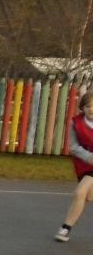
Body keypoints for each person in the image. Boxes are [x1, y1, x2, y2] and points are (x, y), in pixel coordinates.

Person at [54, 90, 93, 242]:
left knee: (79, 193)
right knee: (88, 196)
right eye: (88, 106)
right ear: (82, 107)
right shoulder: (75, 122)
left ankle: (65, 228)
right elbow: (73, 146)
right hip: (84, 164)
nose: (91, 109)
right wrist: (89, 157)